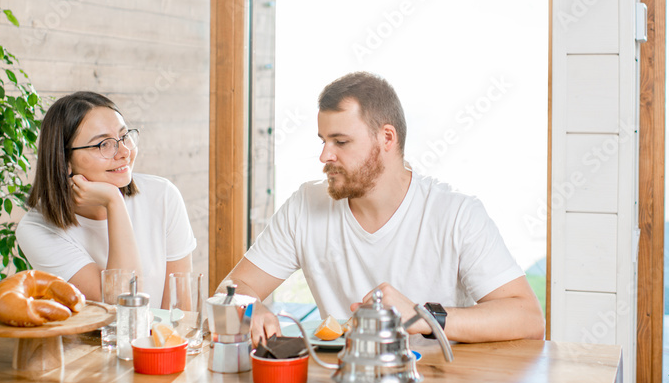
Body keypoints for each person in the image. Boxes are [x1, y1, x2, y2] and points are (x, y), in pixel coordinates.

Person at [224, 72, 545, 345]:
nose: (324, 156)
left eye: (341, 141)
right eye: (322, 140)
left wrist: (423, 317)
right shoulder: (305, 206)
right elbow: (232, 290)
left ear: (386, 137)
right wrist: (252, 308)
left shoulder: (457, 214)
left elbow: (528, 318)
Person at [16, 91, 196, 308]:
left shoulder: (163, 196)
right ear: (65, 161)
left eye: (124, 136)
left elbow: (179, 312)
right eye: (104, 144)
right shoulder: (36, 229)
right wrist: (114, 203)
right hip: (90, 342)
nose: (124, 151)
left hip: (156, 342)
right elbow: (119, 306)